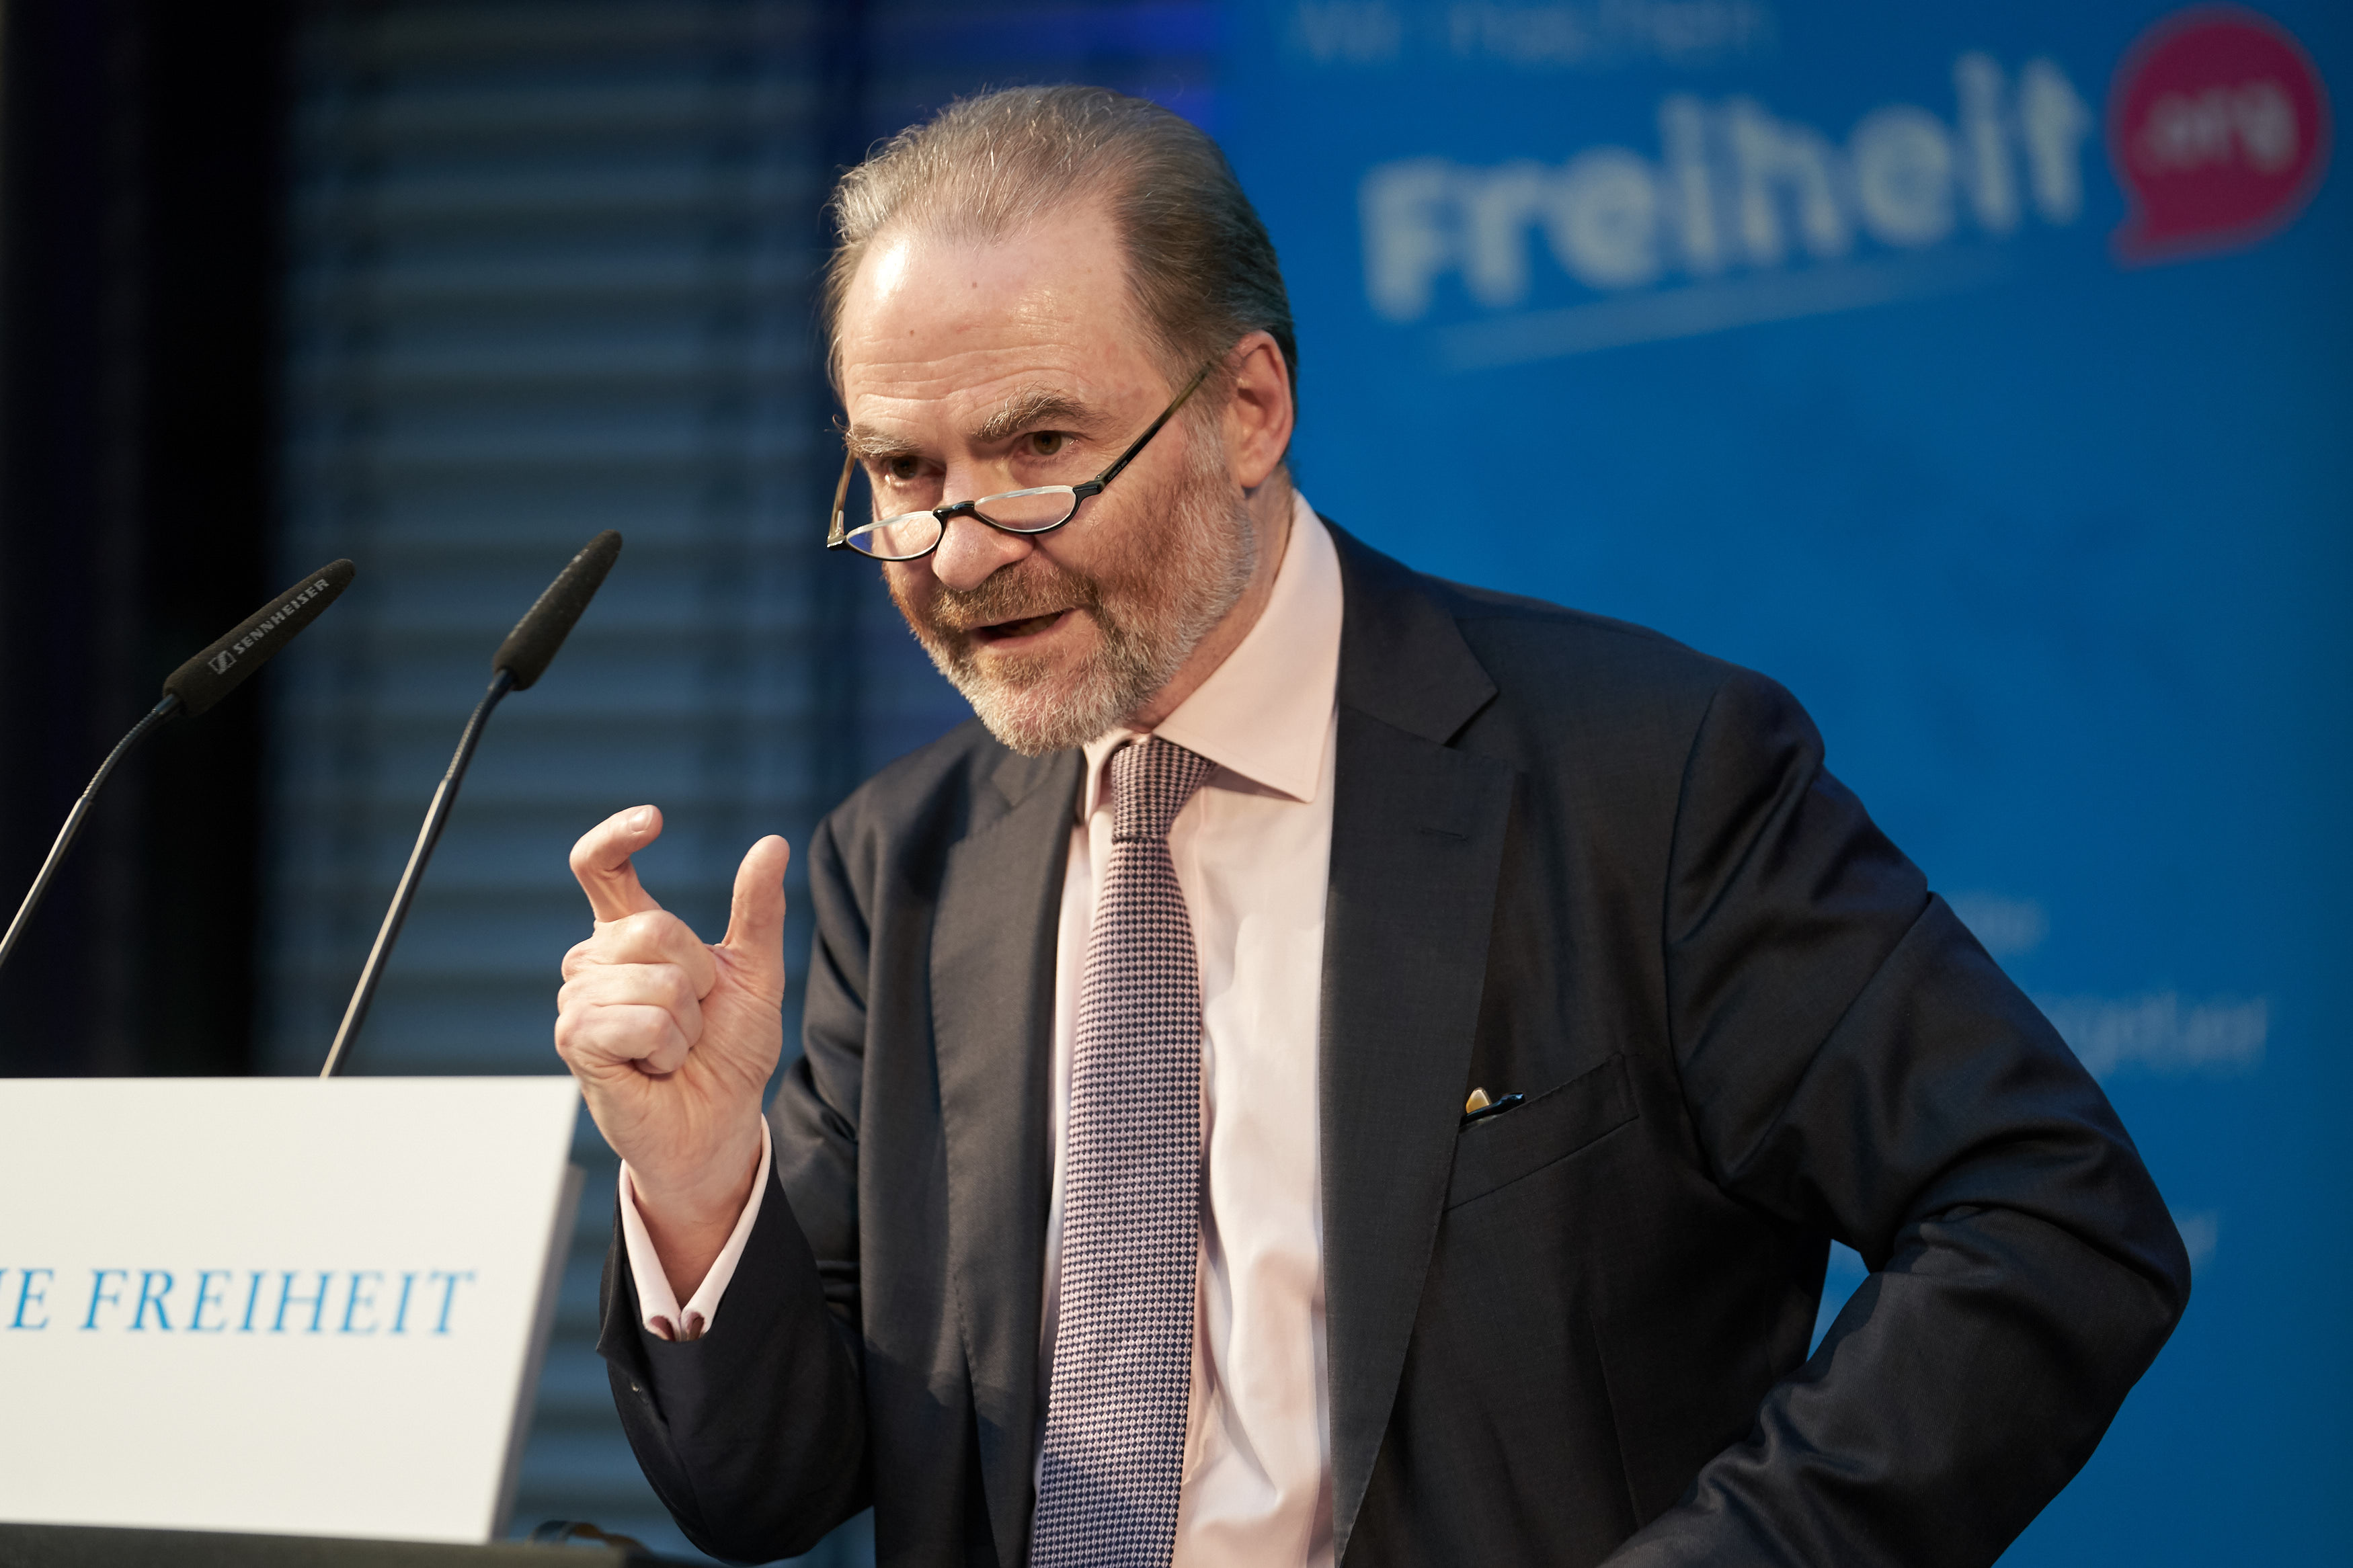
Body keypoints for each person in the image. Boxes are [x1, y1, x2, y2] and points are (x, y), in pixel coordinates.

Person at [551, 85, 2188, 1568]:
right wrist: (702, 1188)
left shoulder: (1646, 773)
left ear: (1247, 408)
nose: (959, 551)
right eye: (901, 472)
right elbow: (767, 1489)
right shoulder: (893, 861)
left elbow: (2047, 1216)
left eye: (1040, 449)